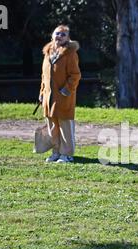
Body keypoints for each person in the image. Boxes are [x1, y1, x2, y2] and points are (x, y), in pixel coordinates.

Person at [38, 25, 81, 163]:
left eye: (63, 35)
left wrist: (66, 90)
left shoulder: (71, 53)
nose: (60, 36)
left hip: (63, 97)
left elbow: (75, 75)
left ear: (68, 38)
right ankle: (56, 152)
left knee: (65, 126)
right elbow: (44, 76)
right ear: (52, 35)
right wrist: (42, 93)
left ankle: (67, 154)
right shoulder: (48, 52)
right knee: (52, 127)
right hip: (48, 97)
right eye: (57, 33)